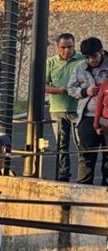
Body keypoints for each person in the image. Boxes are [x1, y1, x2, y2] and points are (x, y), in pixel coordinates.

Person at [67, 37, 108, 185]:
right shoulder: (79, 67)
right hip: (87, 117)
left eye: (94, 56)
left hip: (106, 118)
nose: (91, 60)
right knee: (86, 157)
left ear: (101, 51)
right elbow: (70, 89)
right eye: (87, 57)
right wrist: (85, 91)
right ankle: (83, 190)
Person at [45, 33, 83, 182]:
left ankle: (83, 175)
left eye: (69, 47)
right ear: (57, 47)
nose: (66, 51)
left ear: (74, 46)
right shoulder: (51, 63)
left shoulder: (81, 61)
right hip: (58, 109)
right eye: (63, 47)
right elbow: (43, 85)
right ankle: (63, 173)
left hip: (78, 109)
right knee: (62, 145)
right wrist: (59, 90)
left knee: (81, 144)